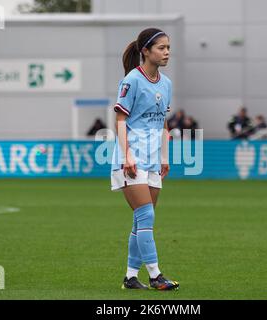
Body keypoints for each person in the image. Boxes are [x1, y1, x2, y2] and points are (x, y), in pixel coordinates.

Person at [110, 28, 179, 291]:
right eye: (161, 48)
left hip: (152, 160)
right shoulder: (132, 80)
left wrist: (164, 156)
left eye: (168, 48)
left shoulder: (167, 83)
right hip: (132, 158)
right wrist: (126, 154)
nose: (166, 53)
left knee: (142, 221)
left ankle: (130, 277)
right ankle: (155, 275)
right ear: (146, 51)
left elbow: (163, 122)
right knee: (146, 214)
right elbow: (120, 119)